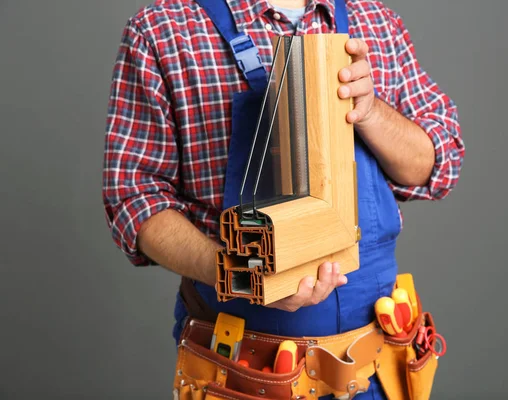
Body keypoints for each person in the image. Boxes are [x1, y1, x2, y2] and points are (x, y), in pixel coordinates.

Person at [103, 0, 464, 398]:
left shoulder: (376, 19)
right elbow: (135, 200)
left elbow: (435, 164)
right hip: (243, 373)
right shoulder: (163, 30)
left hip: (379, 367)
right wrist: (242, 273)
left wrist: (371, 111)